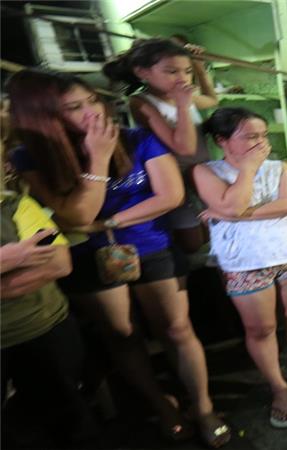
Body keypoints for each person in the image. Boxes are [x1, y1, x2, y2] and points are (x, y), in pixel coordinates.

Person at [7, 69, 230, 448]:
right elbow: (74, 218)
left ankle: (204, 406)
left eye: (93, 100)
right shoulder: (31, 156)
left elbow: (171, 195)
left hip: (150, 243)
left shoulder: (139, 138)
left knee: (177, 329)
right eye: (75, 108)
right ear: (48, 118)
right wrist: (98, 160)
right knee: (123, 335)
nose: (92, 111)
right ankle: (163, 407)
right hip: (86, 256)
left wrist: (107, 221)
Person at [193, 108, 287, 429]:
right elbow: (234, 203)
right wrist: (246, 171)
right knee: (260, 329)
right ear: (222, 140)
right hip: (243, 262)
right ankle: (278, 386)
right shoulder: (206, 172)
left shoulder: (281, 167)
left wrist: (232, 213)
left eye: (263, 135)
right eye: (250, 136)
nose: (261, 142)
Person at [0, 185, 99, 447]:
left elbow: (58, 264)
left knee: (69, 422)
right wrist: (10, 258)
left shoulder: (14, 205)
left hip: (43, 329)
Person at [103, 37, 218, 253]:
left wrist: (200, 69)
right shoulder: (141, 102)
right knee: (192, 241)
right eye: (171, 71)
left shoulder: (184, 95)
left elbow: (212, 100)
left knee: (213, 231)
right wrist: (183, 105)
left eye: (187, 71)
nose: (182, 78)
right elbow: (184, 148)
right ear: (142, 73)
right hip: (175, 179)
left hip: (203, 174)